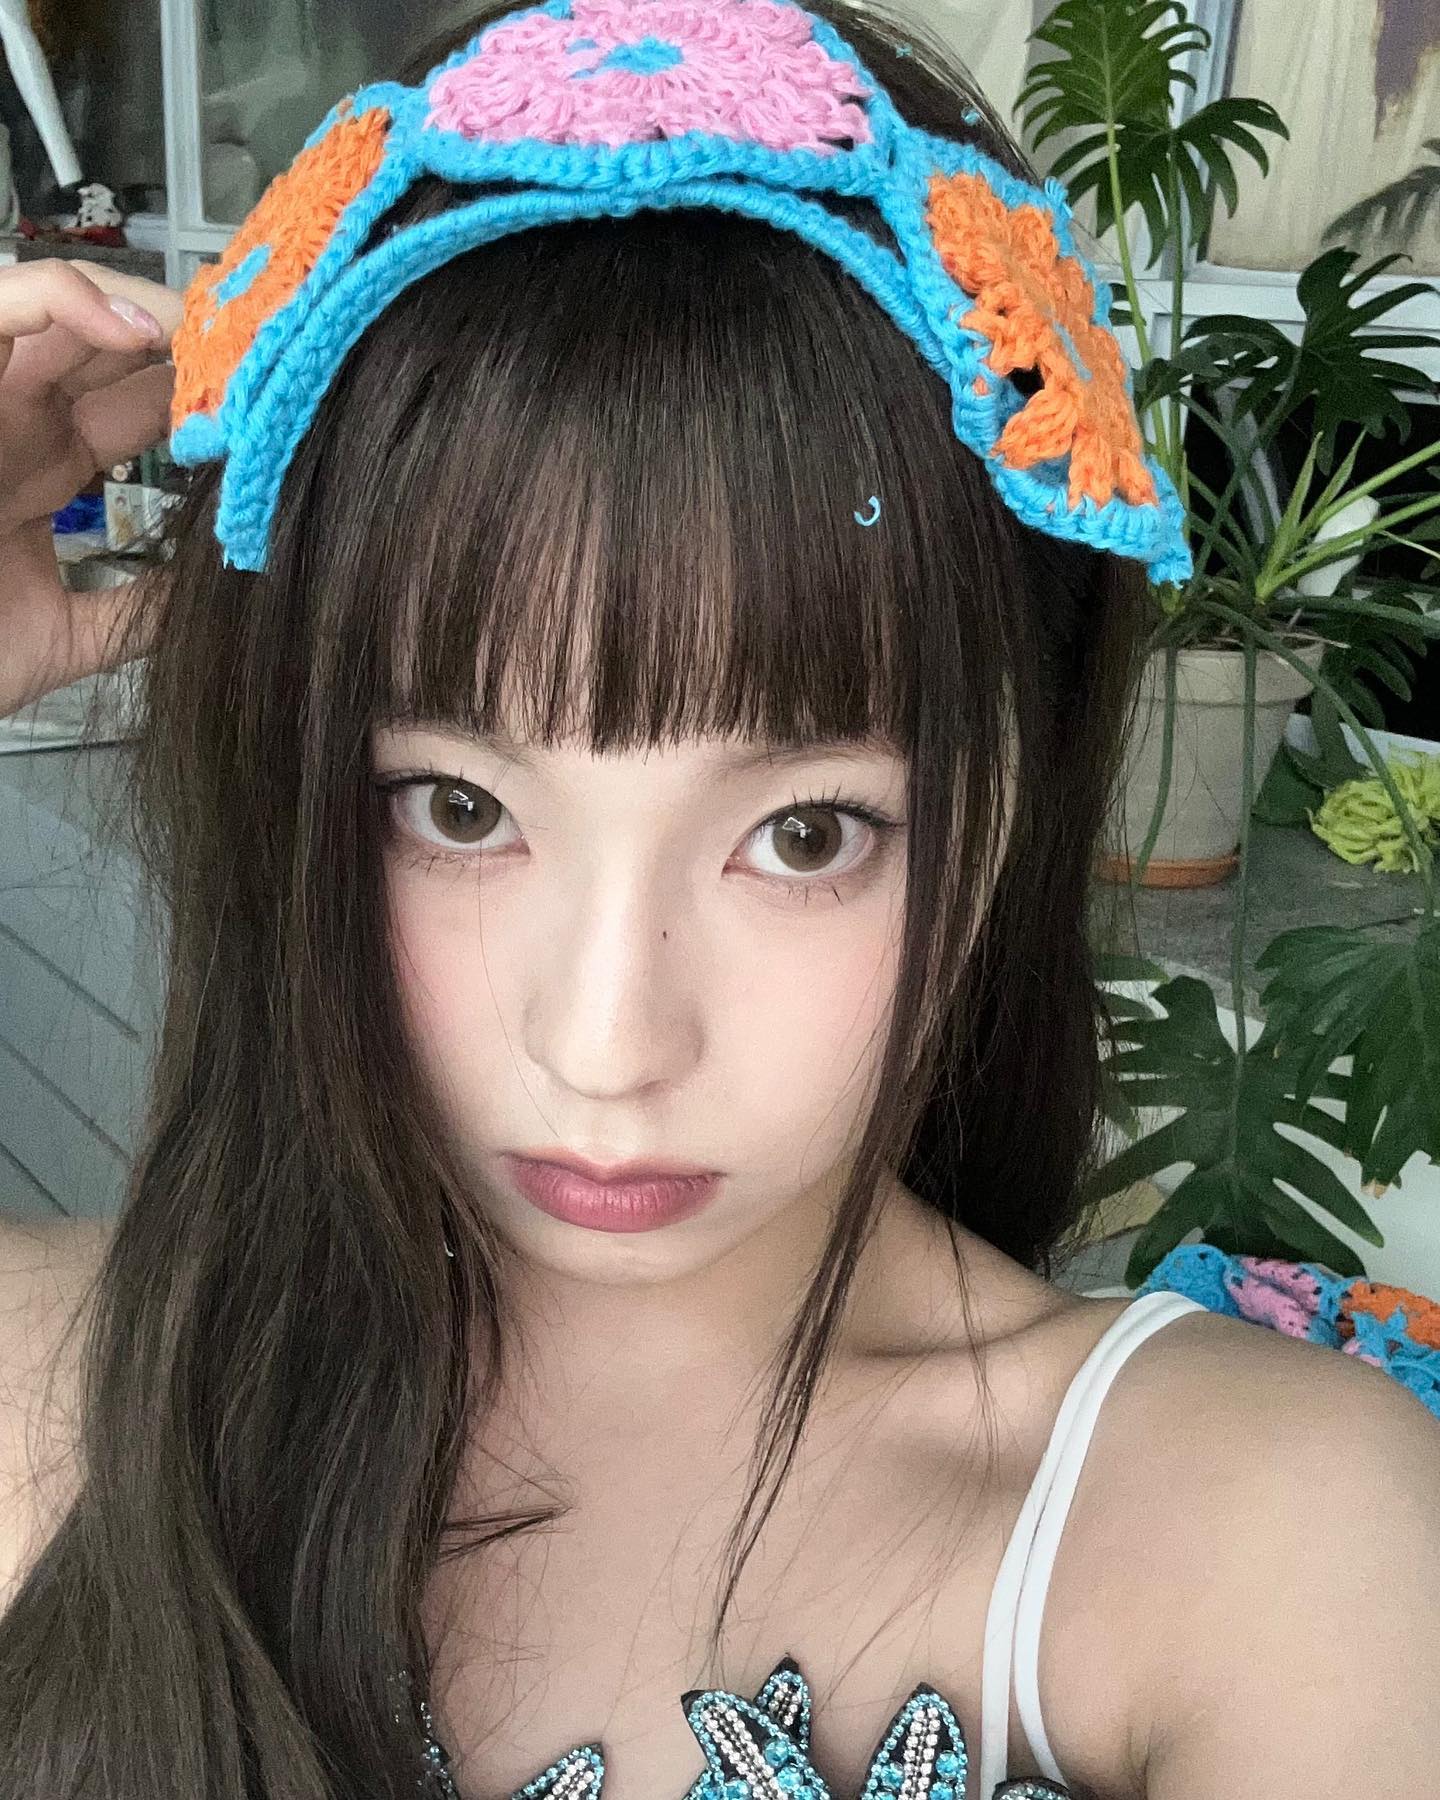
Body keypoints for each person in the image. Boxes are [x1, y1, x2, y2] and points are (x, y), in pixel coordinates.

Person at [1, 4, 1437, 1798]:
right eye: (457, 807)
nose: (607, 1045)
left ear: (1020, 793)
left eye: (809, 835)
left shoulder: (1260, 1550)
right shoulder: (59, 1388)